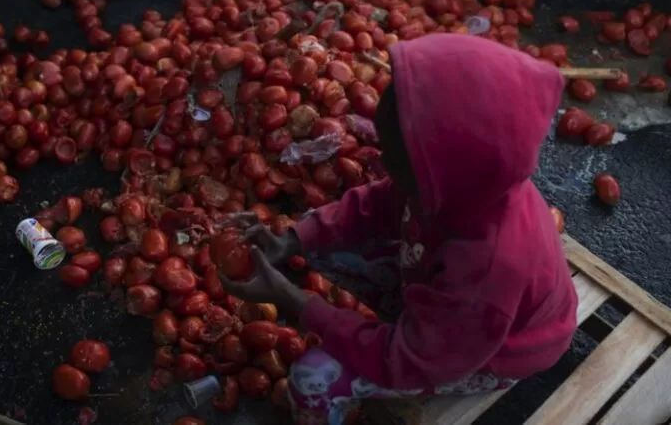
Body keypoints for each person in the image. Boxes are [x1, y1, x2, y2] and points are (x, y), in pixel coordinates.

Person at [220, 34, 578, 425]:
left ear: (438, 174)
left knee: (312, 378)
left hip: (492, 353)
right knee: (319, 241)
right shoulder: (460, 183)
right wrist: (290, 240)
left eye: (392, 157)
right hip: (455, 309)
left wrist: (293, 300)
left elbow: (411, 360)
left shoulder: (490, 264)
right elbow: (374, 204)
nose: (380, 162)